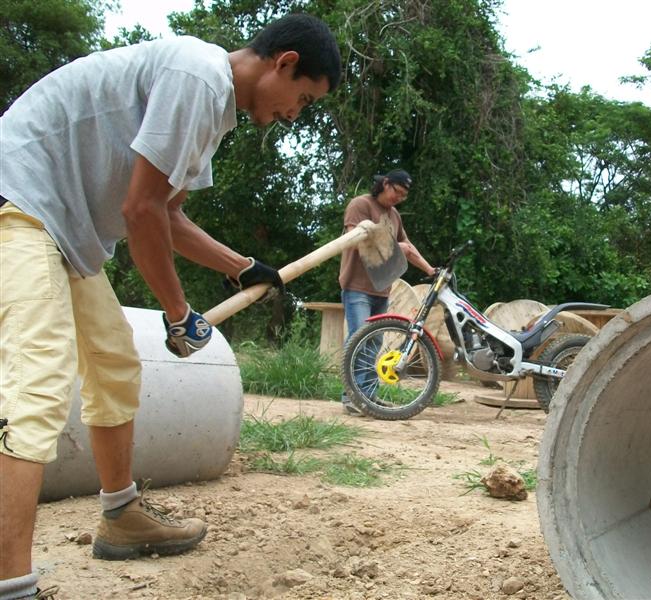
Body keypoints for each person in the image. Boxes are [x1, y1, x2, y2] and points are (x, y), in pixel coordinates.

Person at [0, 13, 341, 599]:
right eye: (303, 99)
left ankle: (120, 516)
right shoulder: (199, 77)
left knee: (114, 365)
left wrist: (241, 266)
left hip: (61, 231)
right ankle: (11, 582)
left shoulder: (213, 106)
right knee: (37, 385)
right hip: (19, 202)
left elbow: (169, 213)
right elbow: (140, 212)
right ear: (284, 63)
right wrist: (178, 313)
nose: (295, 114)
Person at [338, 169, 436, 415]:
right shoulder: (360, 205)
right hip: (356, 287)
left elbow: (408, 247)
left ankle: (368, 397)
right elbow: (352, 239)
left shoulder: (394, 215)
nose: (398, 198)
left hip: (381, 289)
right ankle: (352, 397)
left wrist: (430, 270)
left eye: (403, 196)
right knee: (359, 339)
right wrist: (393, 244)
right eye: (397, 192)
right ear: (385, 184)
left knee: (374, 342)